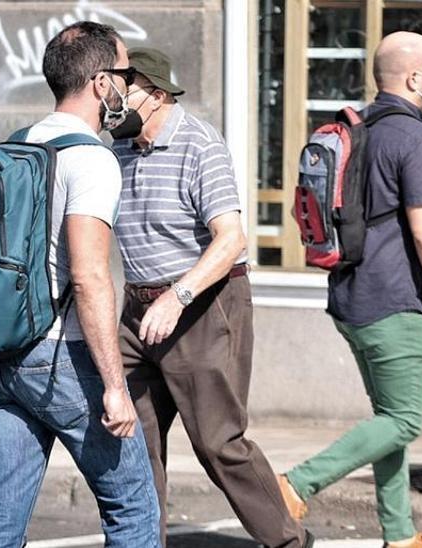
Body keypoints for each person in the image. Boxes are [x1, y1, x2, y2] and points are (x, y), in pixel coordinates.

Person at [0, 21, 159, 548]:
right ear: (102, 83)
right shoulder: (91, 160)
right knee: (134, 511)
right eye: (125, 73)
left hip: (4, 358)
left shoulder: (16, 147)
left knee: (0, 518)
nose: (129, 85)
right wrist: (116, 389)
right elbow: (90, 275)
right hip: (62, 361)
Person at [110, 47, 313, 548]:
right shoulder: (116, 150)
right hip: (137, 311)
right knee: (129, 441)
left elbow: (232, 239)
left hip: (201, 305)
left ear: (156, 95)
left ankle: (289, 541)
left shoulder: (200, 143)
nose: (114, 101)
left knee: (217, 442)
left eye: (124, 90)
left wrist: (177, 297)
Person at [278, 31, 422, 548]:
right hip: (391, 301)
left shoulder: (357, 130)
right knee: (403, 421)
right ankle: (294, 484)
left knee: (388, 420)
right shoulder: (416, 138)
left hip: (349, 298)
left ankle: (401, 535)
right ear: (414, 79)